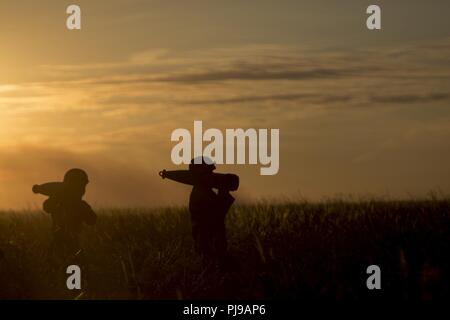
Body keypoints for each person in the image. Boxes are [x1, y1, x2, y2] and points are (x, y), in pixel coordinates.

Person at [32, 168, 97, 261]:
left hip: (62, 241)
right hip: (66, 242)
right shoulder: (77, 204)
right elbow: (92, 220)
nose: (83, 189)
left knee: (60, 267)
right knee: (74, 267)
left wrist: (57, 197)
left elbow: (92, 220)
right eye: (81, 186)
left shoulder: (69, 203)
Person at [188, 157, 235, 266]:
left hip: (214, 244)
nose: (212, 176)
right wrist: (223, 192)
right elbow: (217, 215)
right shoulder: (199, 194)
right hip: (208, 246)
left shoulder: (205, 191)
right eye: (209, 173)